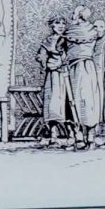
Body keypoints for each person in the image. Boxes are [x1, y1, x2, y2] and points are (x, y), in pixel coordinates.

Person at [63, 5, 105, 148]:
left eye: (75, 14)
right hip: (81, 68)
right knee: (78, 100)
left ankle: (87, 135)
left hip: (85, 68)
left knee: (86, 101)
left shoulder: (80, 31)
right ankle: (82, 135)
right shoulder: (81, 31)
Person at [36, 16, 71, 146]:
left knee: (68, 103)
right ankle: (53, 135)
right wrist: (45, 62)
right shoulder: (48, 41)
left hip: (67, 75)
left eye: (63, 23)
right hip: (53, 76)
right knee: (53, 104)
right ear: (52, 25)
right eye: (57, 23)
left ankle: (72, 135)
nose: (61, 26)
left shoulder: (69, 40)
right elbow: (41, 56)